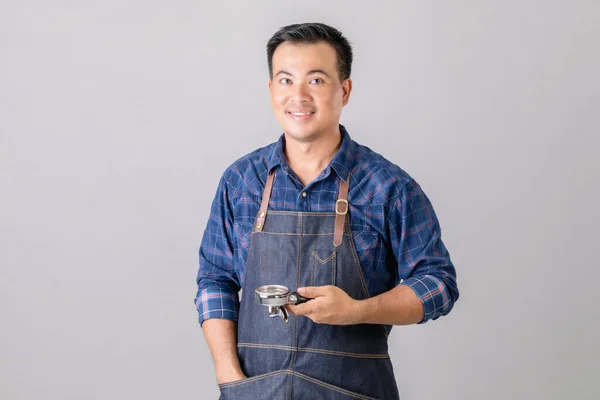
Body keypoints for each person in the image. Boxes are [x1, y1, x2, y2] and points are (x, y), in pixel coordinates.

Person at [194, 22, 459, 400]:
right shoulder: (241, 181)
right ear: (271, 90)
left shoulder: (388, 187)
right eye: (285, 80)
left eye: (316, 80)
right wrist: (229, 376)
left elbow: (438, 285)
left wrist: (358, 310)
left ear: (344, 90)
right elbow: (214, 281)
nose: (298, 96)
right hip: (254, 392)